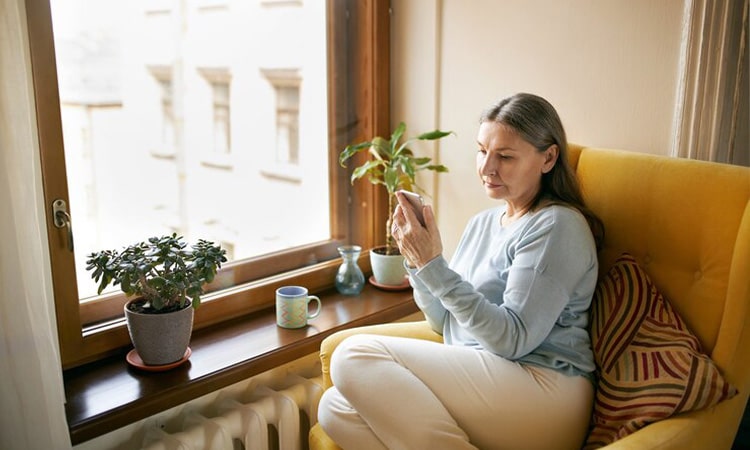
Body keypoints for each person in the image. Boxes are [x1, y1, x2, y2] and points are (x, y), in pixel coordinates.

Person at [317, 93, 604, 450]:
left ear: (548, 158)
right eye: (482, 151)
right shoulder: (483, 223)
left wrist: (434, 266)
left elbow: (512, 340)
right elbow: (444, 324)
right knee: (334, 408)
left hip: (546, 389)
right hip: (486, 376)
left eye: (505, 156)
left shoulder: (557, 225)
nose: (486, 168)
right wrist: (418, 261)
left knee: (353, 354)